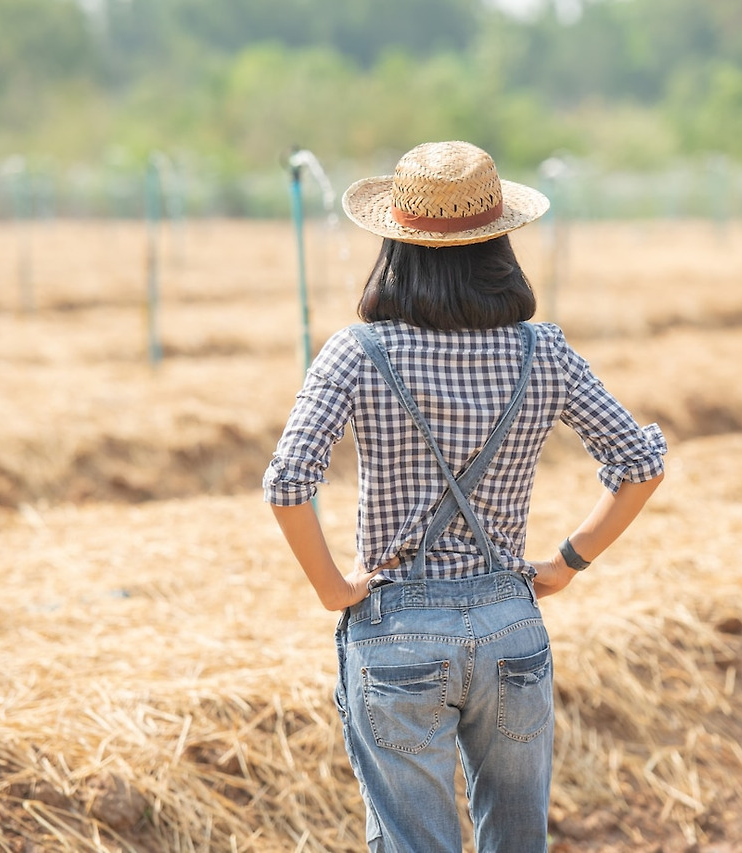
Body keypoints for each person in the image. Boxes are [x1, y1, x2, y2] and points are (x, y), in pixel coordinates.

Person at [263, 140, 665, 853]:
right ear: (499, 244)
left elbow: (288, 481)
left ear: (395, 244)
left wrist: (333, 589)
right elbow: (640, 463)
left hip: (396, 632)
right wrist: (567, 563)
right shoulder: (544, 351)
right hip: (512, 628)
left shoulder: (358, 352)